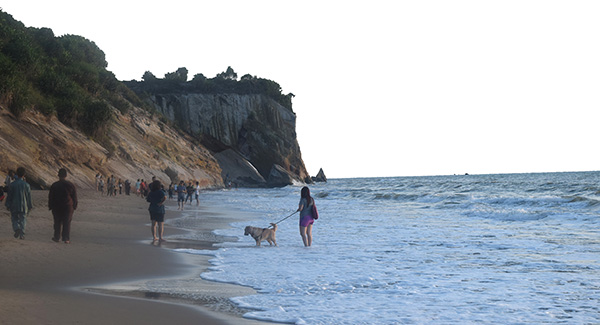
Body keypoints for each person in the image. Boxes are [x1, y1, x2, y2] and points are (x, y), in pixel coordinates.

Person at [48, 168, 78, 244]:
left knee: (57, 222)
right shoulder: (70, 185)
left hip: (56, 206)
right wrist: (74, 206)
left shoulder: (54, 185)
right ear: (66, 175)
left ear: (58, 175)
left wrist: (50, 206)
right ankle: (66, 238)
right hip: (68, 206)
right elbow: (74, 197)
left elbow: (51, 197)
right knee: (67, 222)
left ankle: (57, 237)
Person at [5, 167, 33, 240]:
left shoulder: (12, 185)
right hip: (24, 205)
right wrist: (30, 206)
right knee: (23, 219)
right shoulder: (27, 185)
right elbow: (28, 197)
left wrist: (7, 204)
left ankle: (16, 228)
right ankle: (22, 234)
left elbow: (9, 196)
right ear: (24, 174)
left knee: (14, 218)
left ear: (17, 174)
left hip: (14, 205)